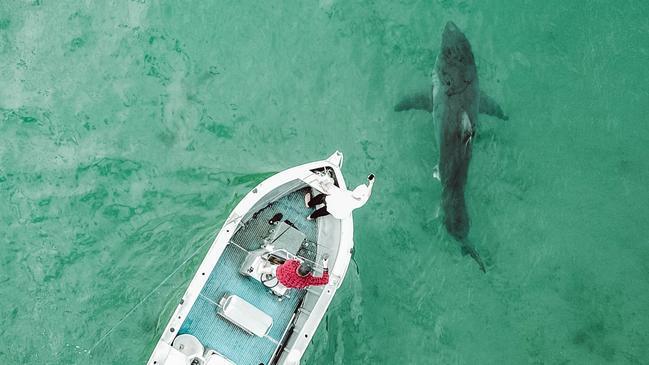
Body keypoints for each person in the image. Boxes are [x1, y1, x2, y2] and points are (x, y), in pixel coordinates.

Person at [305, 174, 375, 220]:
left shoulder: (344, 194)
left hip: (333, 203)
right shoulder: (360, 202)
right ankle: (311, 217)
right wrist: (371, 183)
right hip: (339, 213)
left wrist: (322, 182)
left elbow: (326, 188)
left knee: (322, 197)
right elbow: (367, 195)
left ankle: (309, 204)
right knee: (324, 211)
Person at [262, 257, 329, 289]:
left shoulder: (291, 264)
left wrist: (295, 260)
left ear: (299, 266)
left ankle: (261, 269)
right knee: (290, 286)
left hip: (280, 274)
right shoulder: (308, 280)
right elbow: (325, 280)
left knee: (273, 269)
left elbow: (291, 259)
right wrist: (325, 265)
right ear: (307, 274)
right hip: (287, 284)